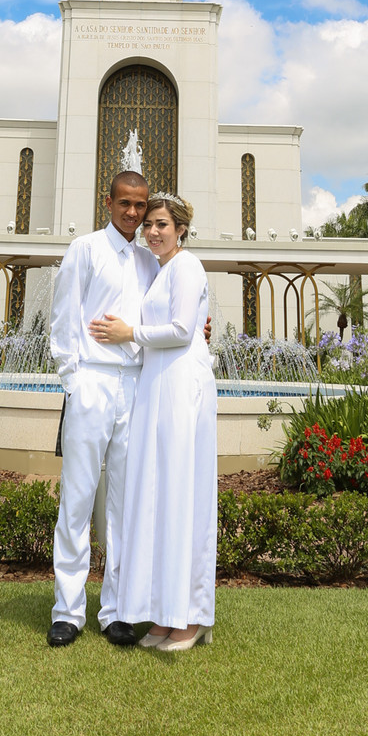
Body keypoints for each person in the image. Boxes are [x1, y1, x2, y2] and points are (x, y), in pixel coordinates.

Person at [92, 192, 218, 653]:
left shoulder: (187, 267)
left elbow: (184, 330)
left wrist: (130, 333)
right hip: (157, 385)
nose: (153, 231)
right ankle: (166, 616)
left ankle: (192, 616)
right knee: (162, 498)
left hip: (182, 387)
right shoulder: (163, 270)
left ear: (181, 227)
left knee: (184, 495)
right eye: (149, 225)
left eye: (162, 224)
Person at [46, 169, 156, 648]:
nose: (133, 213)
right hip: (90, 380)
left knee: (125, 503)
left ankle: (116, 609)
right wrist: (73, 382)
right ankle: (67, 610)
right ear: (107, 201)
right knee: (77, 497)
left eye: (140, 205)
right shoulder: (85, 249)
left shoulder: (152, 260)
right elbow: (64, 317)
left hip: (136, 387)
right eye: (125, 203)